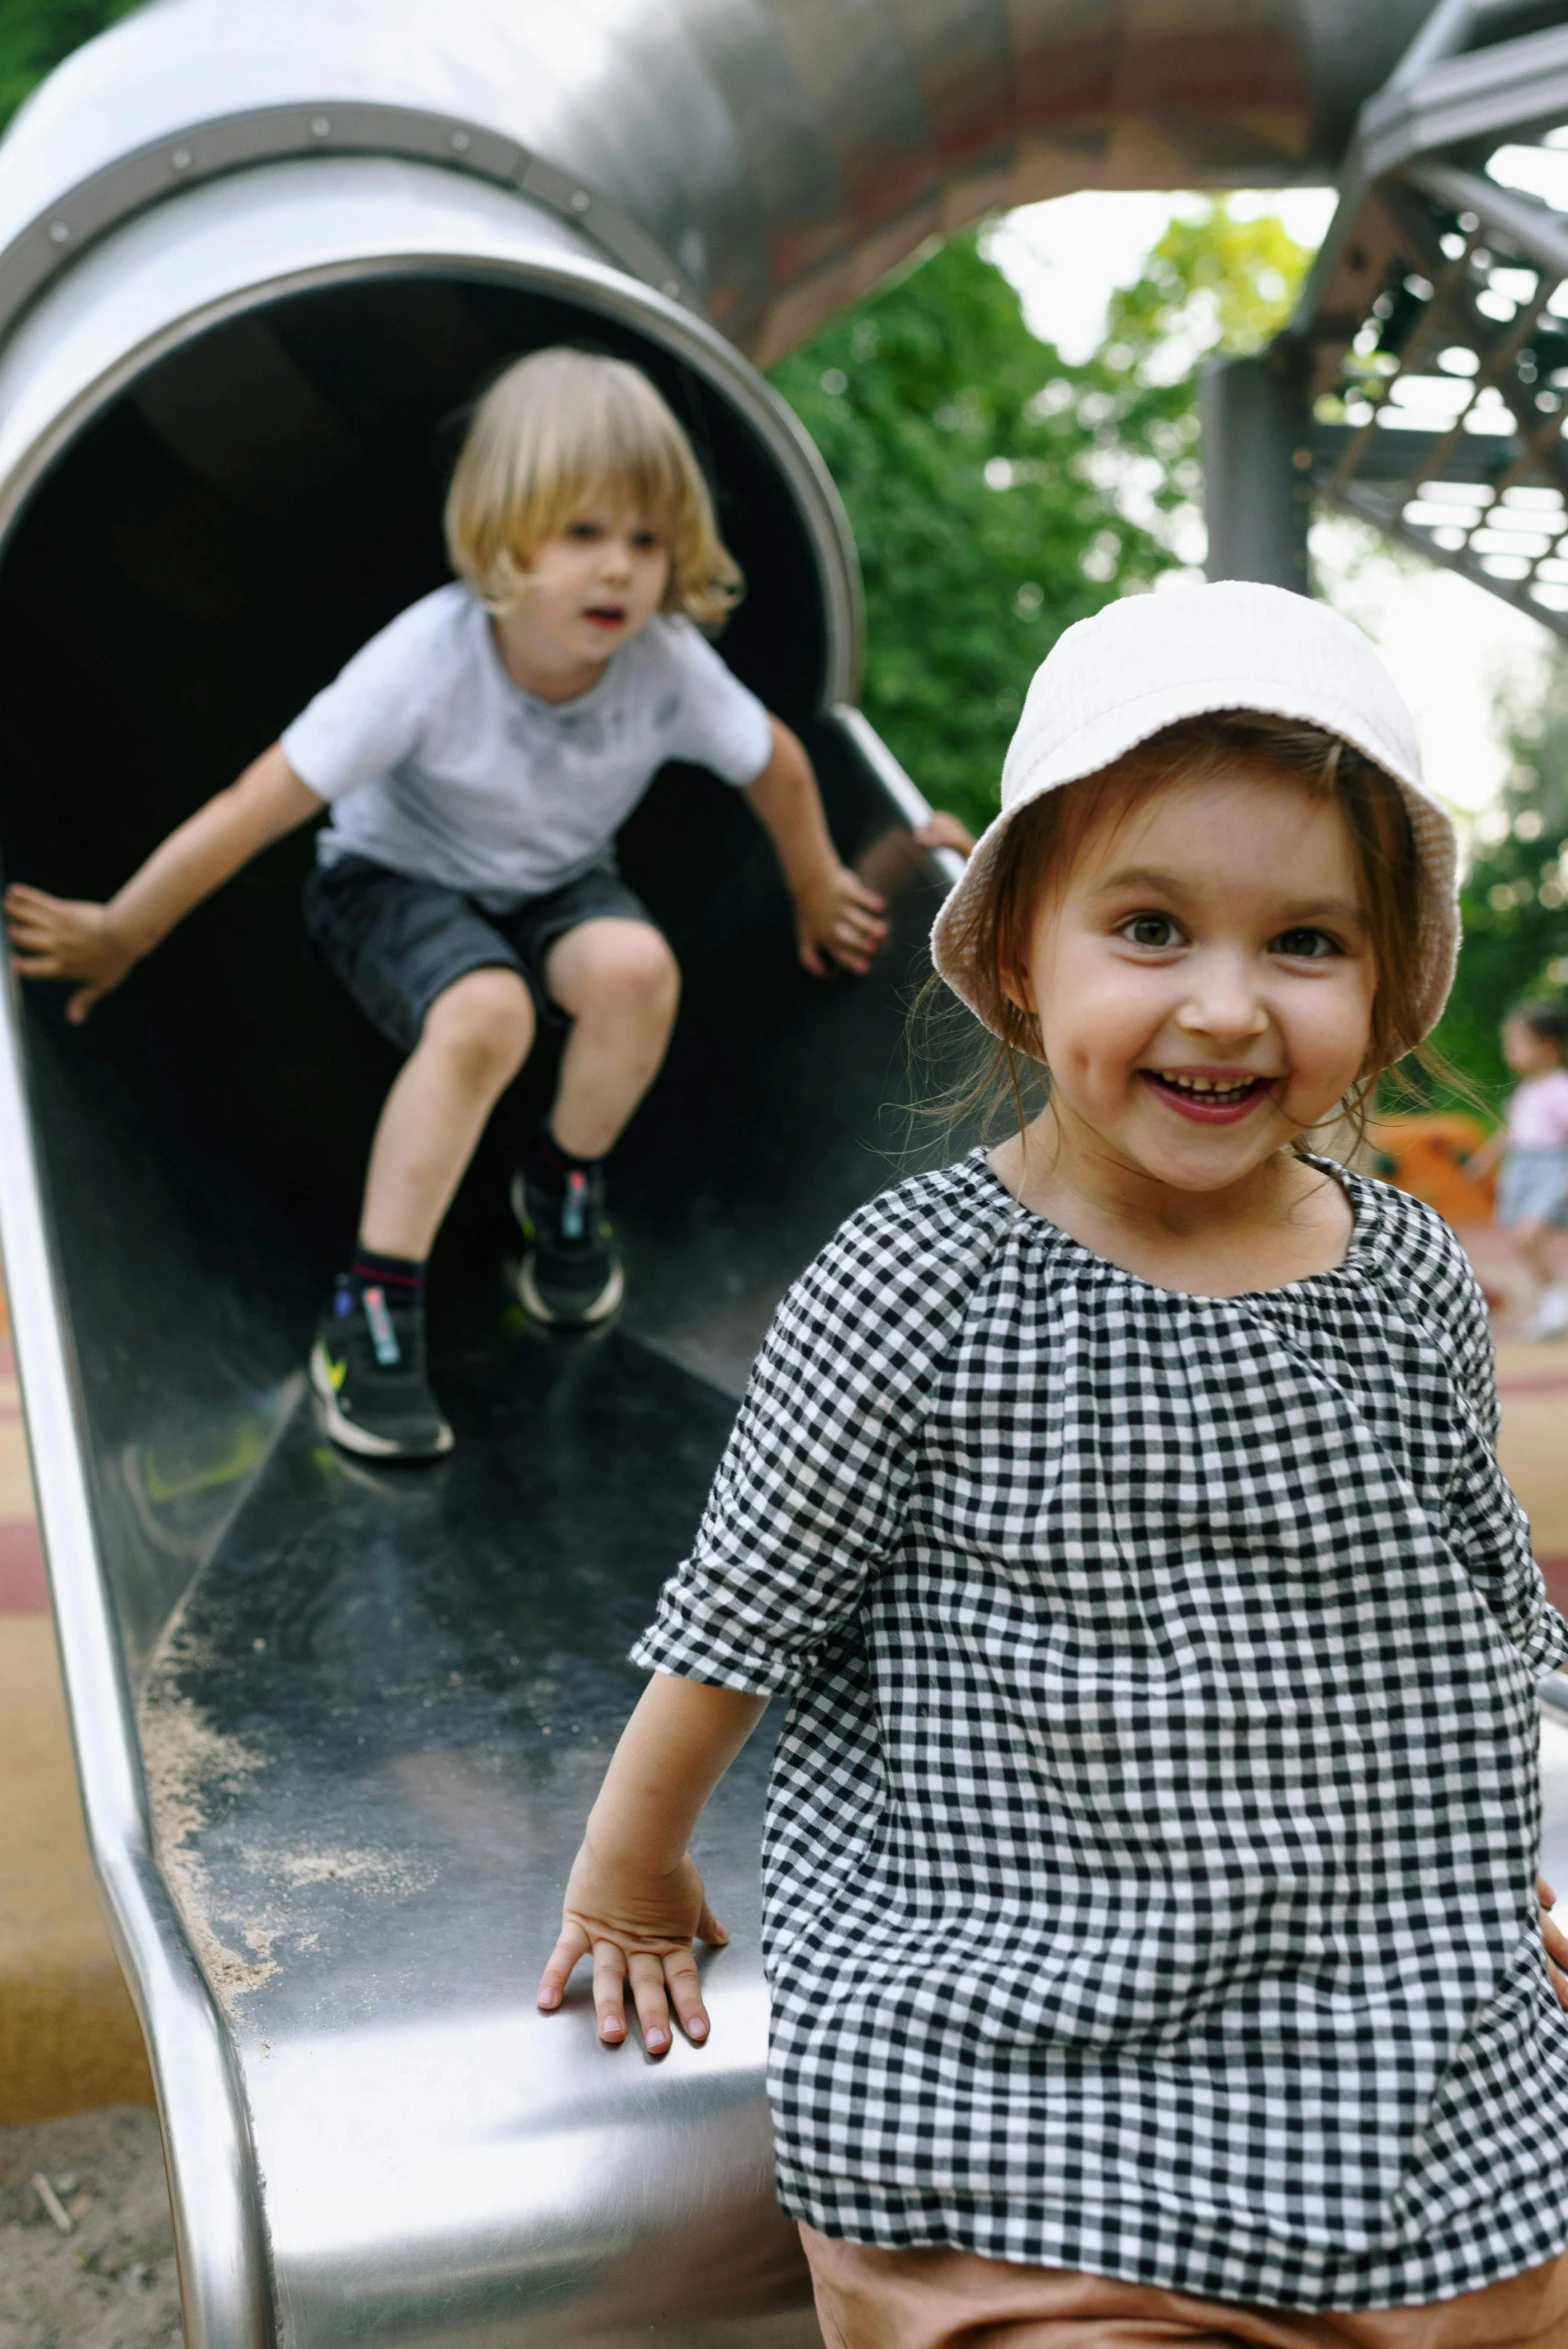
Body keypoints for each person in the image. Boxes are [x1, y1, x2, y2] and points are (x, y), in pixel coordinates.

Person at [537, 582, 1568, 2349]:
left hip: (1376, 1998)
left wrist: (1515, 1840)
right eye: (1151, 926)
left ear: (1389, 980)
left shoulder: (1398, 1269)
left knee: (1494, 2274)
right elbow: (741, 1614)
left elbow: (1474, 1585)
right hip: (1019, 2027)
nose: (1227, 1007)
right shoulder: (917, 1280)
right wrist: (627, 1868)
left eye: (1305, 942)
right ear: (1020, 952)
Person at [4, 348, 887, 1462]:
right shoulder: (430, 657)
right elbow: (257, 801)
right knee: (487, 1016)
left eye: (646, 539)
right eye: (582, 533)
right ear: (504, 534)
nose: (617, 569)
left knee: (634, 972)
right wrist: (122, 929)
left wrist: (817, 889)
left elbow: (779, 765)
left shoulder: (661, 663)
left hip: (556, 879)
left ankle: (561, 1190)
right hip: (391, 876)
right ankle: (369, 1316)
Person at [1468, 1001, 1568, 1340]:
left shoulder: (1560, 1089)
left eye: (1517, 1043)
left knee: (1529, 1235)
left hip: (1550, 1166)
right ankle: (1552, 1297)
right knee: (1519, 1238)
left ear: (1548, 1047)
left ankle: (1555, 1299)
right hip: (1521, 1167)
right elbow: (1512, 1132)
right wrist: (1484, 1159)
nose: (1510, 1052)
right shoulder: (1525, 1092)